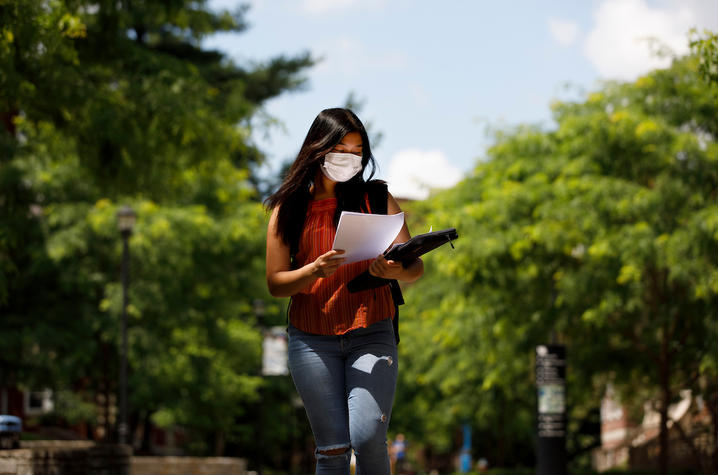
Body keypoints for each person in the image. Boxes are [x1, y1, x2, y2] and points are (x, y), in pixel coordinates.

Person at [265, 108, 424, 474]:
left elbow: (414, 266)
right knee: (332, 450)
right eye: (341, 148)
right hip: (311, 340)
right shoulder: (288, 209)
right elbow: (275, 283)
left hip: (372, 331)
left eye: (357, 151)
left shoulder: (377, 199)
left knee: (368, 438)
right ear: (317, 148)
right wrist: (312, 270)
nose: (349, 159)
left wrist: (396, 269)